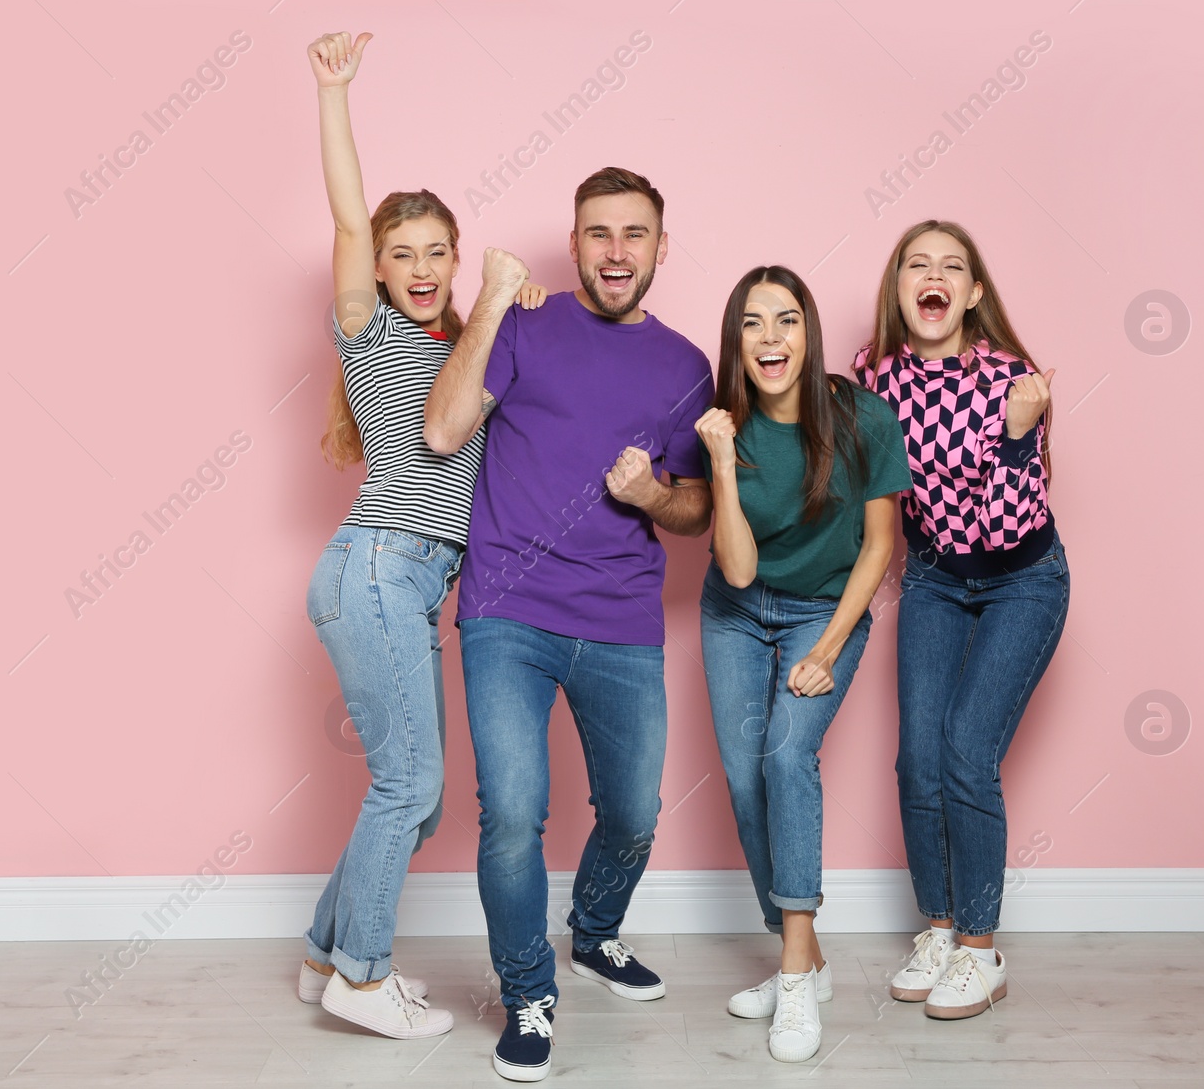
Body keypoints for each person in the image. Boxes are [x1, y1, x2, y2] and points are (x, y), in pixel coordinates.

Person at [422, 167, 714, 1082]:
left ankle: (594, 931)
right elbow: (441, 429)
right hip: (507, 609)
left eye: (634, 234)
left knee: (632, 812)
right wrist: (493, 299)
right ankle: (527, 990)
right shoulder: (522, 325)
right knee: (512, 811)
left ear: (662, 248)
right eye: (598, 233)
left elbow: (697, 508)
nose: (616, 251)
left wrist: (653, 492)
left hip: (623, 618)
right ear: (575, 240)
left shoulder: (685, 365)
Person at [300, 29, 544, 1040]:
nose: (418, 266)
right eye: (402, 255)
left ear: (456, 258)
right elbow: (349, 221)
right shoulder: (373, 329)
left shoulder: (467, 350)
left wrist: (510, 303)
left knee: (419, 796)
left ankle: (326, 949)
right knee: (411, 785)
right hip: (377, 567)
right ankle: (361, 978)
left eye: (436, 251)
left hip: (408, 583)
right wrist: (335, 95)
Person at [695, 266, 910, 1061]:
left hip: (827, 608)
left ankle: (793, 975)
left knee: (788, 753)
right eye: (753, 324)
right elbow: (740, 571)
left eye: (787, 321)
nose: (772, 338)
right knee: (744, 774)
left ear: (810, 332)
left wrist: (825, 649)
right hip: (735, 609)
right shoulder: (726, 427)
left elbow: (882, 546)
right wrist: (719, 463)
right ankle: (807, 956)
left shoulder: (862, 416)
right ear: (736, 340)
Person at [855, 220, 1068, 1020]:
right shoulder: (873, 380)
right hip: (937, 579)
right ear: (900, 287)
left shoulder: (1013, 379)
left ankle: (982, 949)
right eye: (919, 264)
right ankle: (940, 930)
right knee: (917, 758)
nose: (934, 276)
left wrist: (1017, 436)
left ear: (973, 293)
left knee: (966, 750)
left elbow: (1011, 527)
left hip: (1022, 578)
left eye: (953, 267)